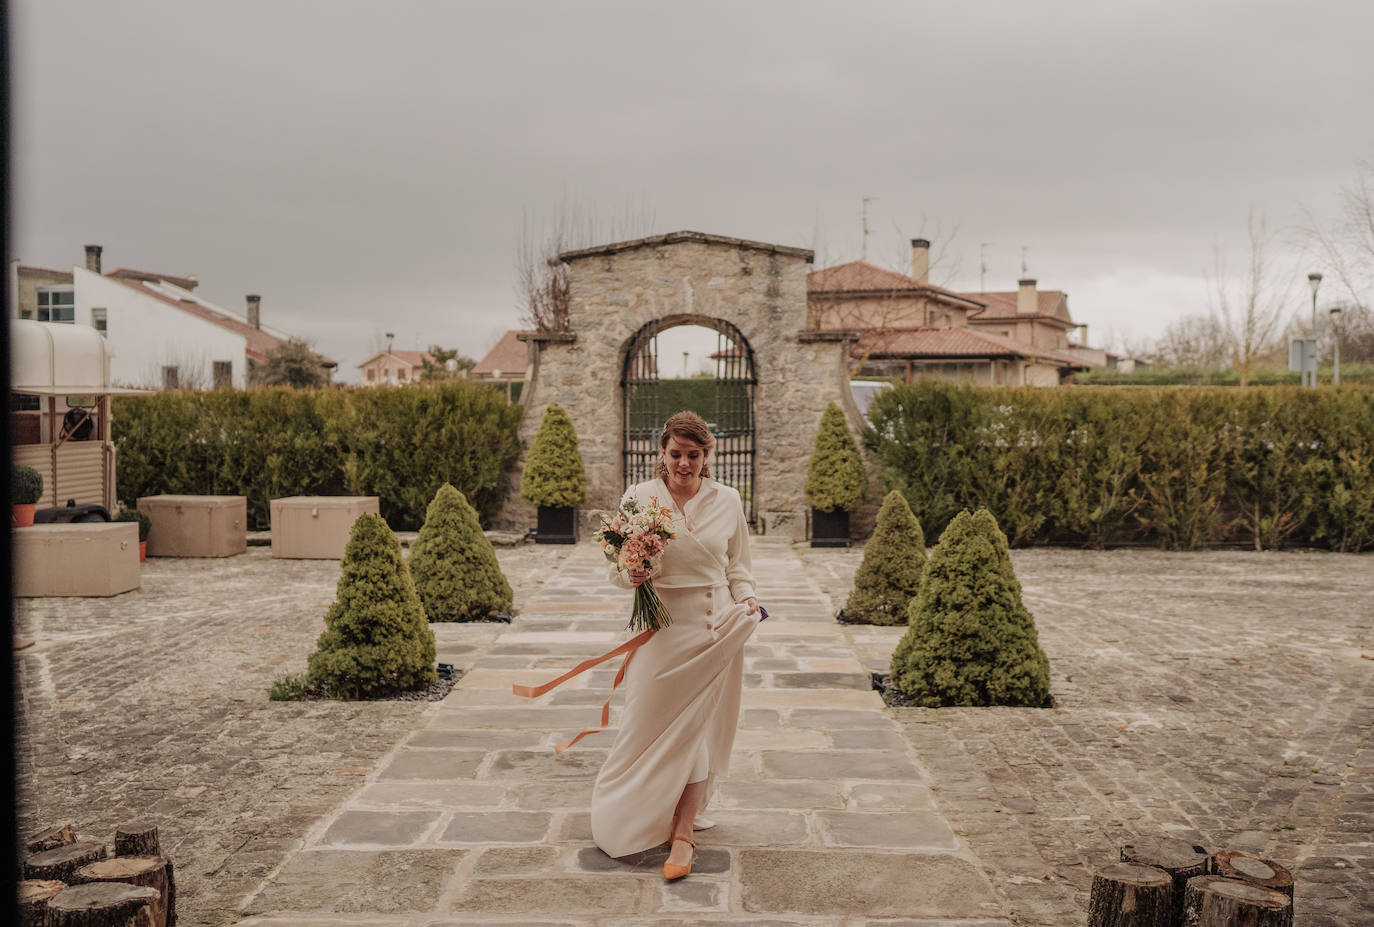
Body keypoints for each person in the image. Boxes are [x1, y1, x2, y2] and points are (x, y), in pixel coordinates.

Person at [591, 410, 761, 880]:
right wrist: (633, 574)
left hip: (710, 625)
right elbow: (616, 569)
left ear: (707, 456)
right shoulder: (638, 498)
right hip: (658, 627)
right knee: (641, 723)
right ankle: (640, 809)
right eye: (676, 454)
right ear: (661, 454)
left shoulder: (728, 499)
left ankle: (683, 831)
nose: (684, 463)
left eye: (694, 455)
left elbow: (739, 568)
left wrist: (749, 602)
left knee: (696, 726)